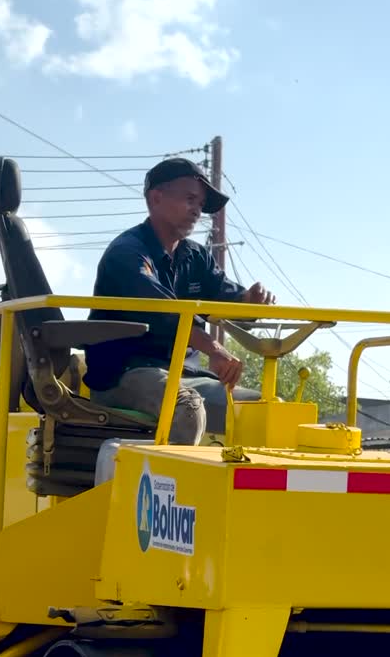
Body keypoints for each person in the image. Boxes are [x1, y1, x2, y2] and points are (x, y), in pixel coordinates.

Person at [83, 157, 275, 443]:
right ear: (155, 198)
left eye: (201, 204)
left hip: (188, 374)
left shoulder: (195, 257)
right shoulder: (127, 253)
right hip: (126, 373)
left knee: (268, 412)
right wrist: (215, 349)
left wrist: (250, 301)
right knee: (187, 408)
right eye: (190, 199)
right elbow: (164, 311)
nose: (198, 210)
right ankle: (170, 487)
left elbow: (225, 294)